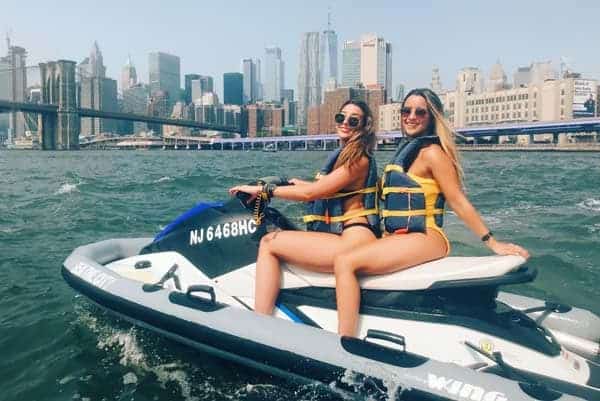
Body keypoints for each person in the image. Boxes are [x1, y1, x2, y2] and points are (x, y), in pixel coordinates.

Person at [333, 88, 530, 337]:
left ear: (431, 117)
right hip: (400, 236)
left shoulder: (433, 154)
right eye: (406, 110)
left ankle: (344, 341)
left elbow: (458, 200)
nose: (411, 116)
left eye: (420, 112)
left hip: (426, 235)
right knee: (342, 252)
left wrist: (493, 242)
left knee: (345, 262)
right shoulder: (408, 151)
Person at [229, 100, 381, 315]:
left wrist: (265, 190)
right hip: (352, 236)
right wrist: (292, 183)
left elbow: (312, 194)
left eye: (353, 120)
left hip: (353, 240)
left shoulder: (357, 158)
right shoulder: (350, 154)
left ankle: (260, 319)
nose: (345, 122)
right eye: (341, 117)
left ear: (364, 125)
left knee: (269, 243)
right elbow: (326, 189)